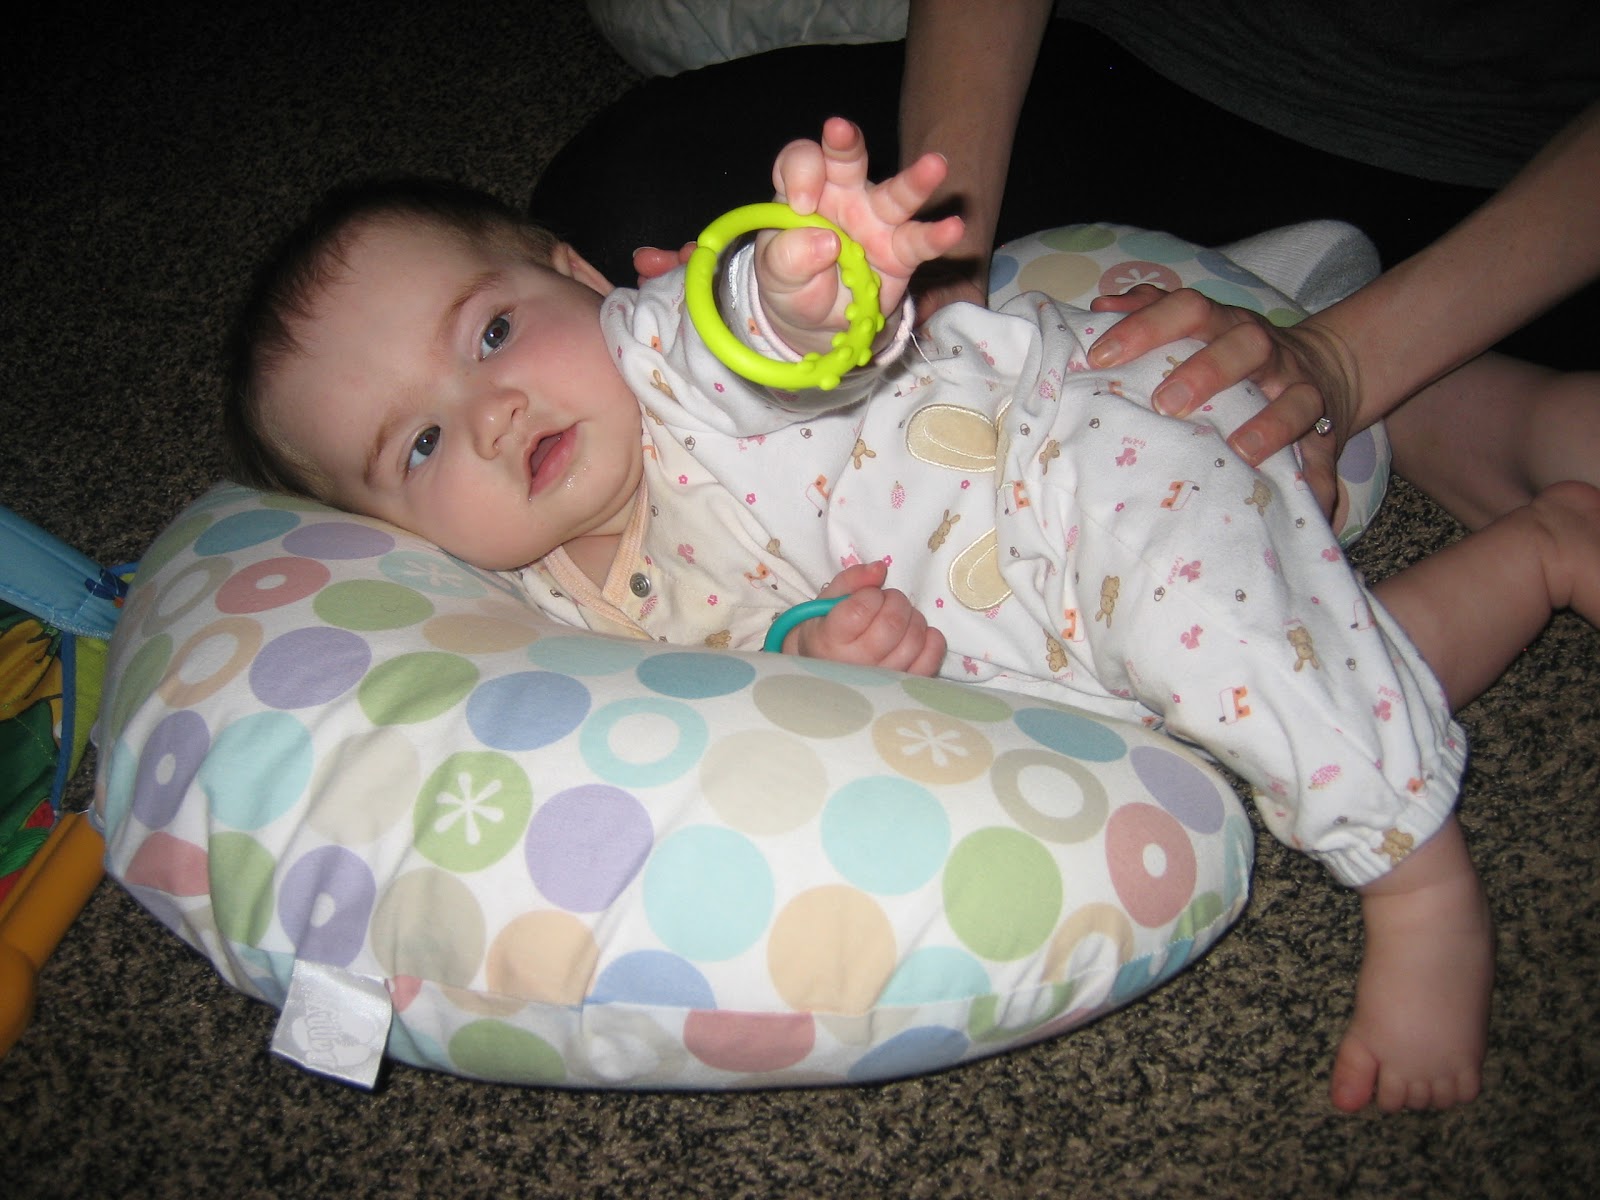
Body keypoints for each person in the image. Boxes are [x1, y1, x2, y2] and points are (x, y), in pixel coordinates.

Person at [225, 119, 1600, 1114]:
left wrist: (806, 273)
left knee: (1218, 644)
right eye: (419, 447)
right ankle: (1542, 552)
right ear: (402, 540)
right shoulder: (544, 603)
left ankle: (1422, 894)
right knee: (1253, 709)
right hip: (1030, 629)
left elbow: (762, 348)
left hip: (1084, 459)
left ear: (583, 281)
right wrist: (801, 655)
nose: (495, 411)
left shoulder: (661, 357)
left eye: (490, 335)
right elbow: (711, 661)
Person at [891, 2, 1600, 525]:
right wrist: (945, 267)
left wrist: (1344, 362)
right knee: (795, 261)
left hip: (1504, 183)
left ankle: (1381, 374)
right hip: (1150, 68)